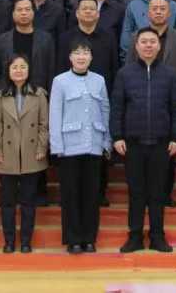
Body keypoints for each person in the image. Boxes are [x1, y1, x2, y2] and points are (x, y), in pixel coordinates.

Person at [112, 27, 176, 253]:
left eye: (152, 41)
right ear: (136, 46)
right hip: (132, 143)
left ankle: (157, 236)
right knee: (136, 192)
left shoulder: (170, 74)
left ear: (159, 45)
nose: (148, 45)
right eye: (143, 41)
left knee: (157, 192)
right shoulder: (125, 74)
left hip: (161, 143)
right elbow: (117, 107)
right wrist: (117, 136)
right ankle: (134, 236)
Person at [48, 43, 110, 254]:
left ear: (91, 57)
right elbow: (55, 113)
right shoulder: (60, 81)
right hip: (69, 147)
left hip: (94, 144)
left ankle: (89, 238)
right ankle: (73, 239)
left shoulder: (99, 80)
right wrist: (57, 145)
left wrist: (106, 141)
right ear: (70, 57)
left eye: (85, 53)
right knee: (71, 195)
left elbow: (105, 110)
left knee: (91, 195)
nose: (81, 57)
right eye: (77, 53)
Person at [0, 53, 51, 253]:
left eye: (23, 67)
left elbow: (44, 125)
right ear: (8, 71)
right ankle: (8, 241)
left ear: (29, 70)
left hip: (32, 154)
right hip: (6, 155)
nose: (19, 71)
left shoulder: (39, 95)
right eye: (14, 67)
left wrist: (42, 148)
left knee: (28, 202)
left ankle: (26, 241)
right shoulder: (1, 96)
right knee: (7, 203)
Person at [0, 0, 55, 96]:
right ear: (13, 14)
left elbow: (50, 69)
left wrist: (48, 95)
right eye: (19, 10)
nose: (24, 13)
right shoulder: (2, 40)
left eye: (27, 9)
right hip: (8, 94)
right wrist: (0, 90)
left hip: (38, 94)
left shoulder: (46, 39)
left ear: (33, 13)